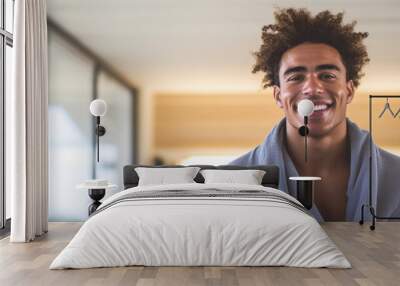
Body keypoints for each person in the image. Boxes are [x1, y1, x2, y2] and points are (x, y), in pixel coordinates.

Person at [230, 8, 400, 221]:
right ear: (277, 96)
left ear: (349, 91)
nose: (312, 87)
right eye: (296, 77)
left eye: (327, 75)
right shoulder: (232, 185)